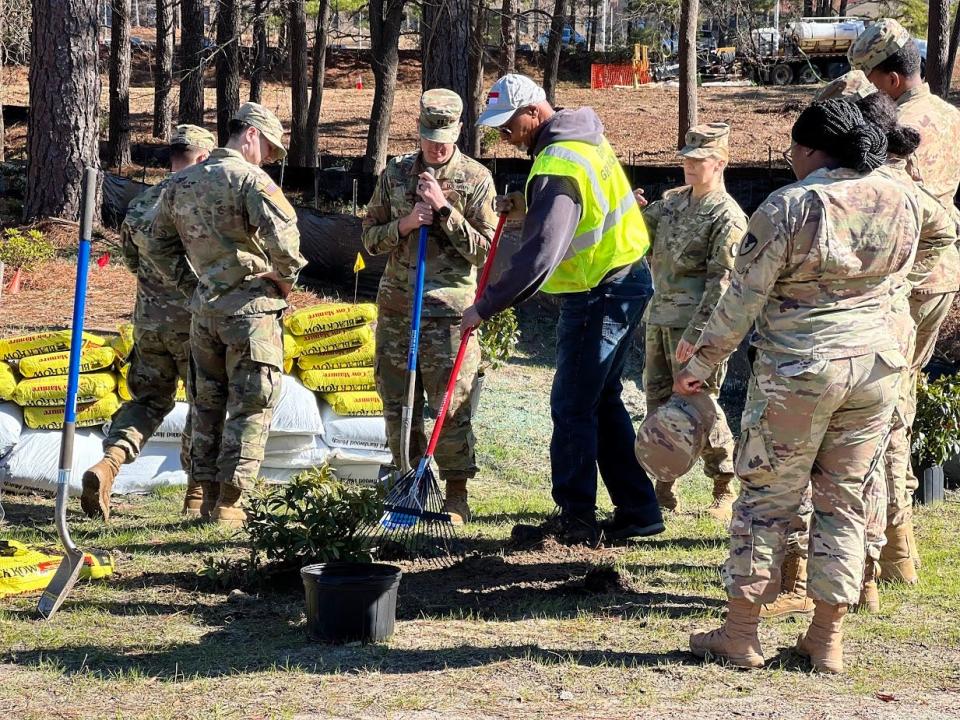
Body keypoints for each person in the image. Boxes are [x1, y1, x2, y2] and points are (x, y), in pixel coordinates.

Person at [679, 99, 924, 674]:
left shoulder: (792, 205)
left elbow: (742, 297)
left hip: (800, 371)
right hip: (875, 368)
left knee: (766, 498)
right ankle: (825, 639)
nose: (789, 158)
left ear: (812, 150)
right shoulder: (900, 195)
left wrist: (702, 362)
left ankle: (741, 635)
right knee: (845, 498)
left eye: (793, 148)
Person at [760, 77, 958, 618]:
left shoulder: (873, 188)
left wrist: (896, 282)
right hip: (878, 345)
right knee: (863, 465)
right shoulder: (892, 185)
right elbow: (944, 231)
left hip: (849, 345)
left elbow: (943, 231)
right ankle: (875, 573)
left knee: (827, 468)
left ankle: (833, 577)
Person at [461, 73, 664, 547]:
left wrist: (485, 305)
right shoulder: (582, 136)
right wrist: (531, 205)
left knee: (571, 403)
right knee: (600, 399)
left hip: (600, 291)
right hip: (626, 278)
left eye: (507, 123)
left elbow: (540, 254)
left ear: (533, 112)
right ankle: (638, 510)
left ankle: (574, 517)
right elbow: (578, 211)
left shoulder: (557, 163)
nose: (502, 135)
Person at [152, 102, 306, 527]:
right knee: (250, 405)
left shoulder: (181, 182)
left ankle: (203, 496)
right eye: (270, 149)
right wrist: (282, 280)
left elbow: (154, 243)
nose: (269, 158)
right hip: (251, 313)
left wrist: (194, 285)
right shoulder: (251, 181)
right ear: (251, 135)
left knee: (206, 404)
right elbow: (288, 249)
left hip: (205, 314)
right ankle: (231, 503)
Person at [848, 18, 960, 584]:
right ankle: (898, 549)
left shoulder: (897, 122)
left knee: (883, 408)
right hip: (940, 273)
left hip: (900, 274)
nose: (866, 86)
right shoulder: (950, 115)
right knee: (901, 398)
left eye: (870, 76)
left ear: (891, 78)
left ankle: (889, 549)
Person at [362, 89, 497, 524]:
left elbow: (485, 251)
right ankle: (410, 483)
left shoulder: (475, 180)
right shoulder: (396, 175)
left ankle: (456, 492)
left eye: (443, 138)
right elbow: (368, 236)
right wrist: (404, 224)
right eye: (428, 137)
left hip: (449, 313)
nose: (435, 147)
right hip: (399, 308)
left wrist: (444, 212)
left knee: (449, 406)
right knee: (397, 403)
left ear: (458, 132)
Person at [80, 124, 215, 521]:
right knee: (204, 402)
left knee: (148, 400)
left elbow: (133, 264)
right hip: (195, 324)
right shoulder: (205, 205)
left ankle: (109, 463)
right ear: (204, 159)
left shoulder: (142, 204)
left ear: (172, 158)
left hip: (149, 323)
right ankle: (196, 492)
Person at [639, 122, 746, 522]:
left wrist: (698, 334)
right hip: (660, 318)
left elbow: (723, 281)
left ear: (720, 163)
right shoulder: (671, 202)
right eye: (686, 157)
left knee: (700, 406)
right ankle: (663, 487)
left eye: (698, 159)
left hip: (695, 329)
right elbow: (637, 234)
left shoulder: (728, 216)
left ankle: (724, 484)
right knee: (658, 404)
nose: (689, 164)